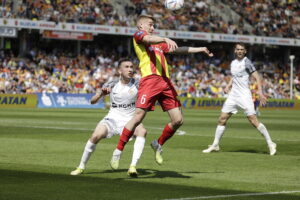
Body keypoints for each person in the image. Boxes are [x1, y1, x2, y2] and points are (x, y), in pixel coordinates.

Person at [110, 14, 213, 171]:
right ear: (141, 26)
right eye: (150, 24)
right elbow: (150, 39)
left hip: (165, 82)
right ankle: (118, 151)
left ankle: (158, 143)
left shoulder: (159, 43)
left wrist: (200, 49)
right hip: (150, 81)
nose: (152, 27)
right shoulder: (139, 36)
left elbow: (177, 49)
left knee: (178, 120)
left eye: (153, 25)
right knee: (138, 117)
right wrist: (165, 38)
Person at [70, 59, 147, 177]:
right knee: (95, 136)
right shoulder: (111, 84)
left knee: (142, 131)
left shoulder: (138, 84)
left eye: (132, 67)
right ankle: (80, 167)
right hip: (112, 118)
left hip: (130, 119)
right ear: (119, 70)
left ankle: (132, 167)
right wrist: (101, 94)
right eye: (126, 67)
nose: (130, 69)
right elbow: (92, 101)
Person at [202, 43, 276, 155]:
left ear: (245, 51)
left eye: (242, 49)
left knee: (253, 120)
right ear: (235, 51)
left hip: (244, 95)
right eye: (238, 49)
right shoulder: (233, 63)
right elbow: (235, 76)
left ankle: (271, 144)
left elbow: (257, 77)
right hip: (233, 95)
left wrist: (260, 93)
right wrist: (228, 86)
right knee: (222, 119)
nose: (240, 51)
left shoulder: (247, 62)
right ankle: (215, 145)